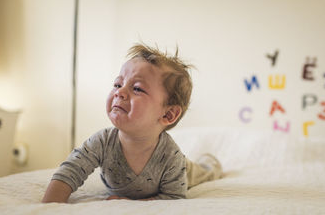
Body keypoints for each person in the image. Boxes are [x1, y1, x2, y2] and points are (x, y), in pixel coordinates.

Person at [42, 43, 222, 203]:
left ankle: (211, 162)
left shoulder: (170, 156)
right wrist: (50, 206)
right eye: (118, 84)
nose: (120, 93)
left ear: (168, 114)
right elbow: (70, 171)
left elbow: (173, 197)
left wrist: (128, 201)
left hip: (187, 172)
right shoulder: (102, 142)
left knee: (205, 171)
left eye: (137, 88)